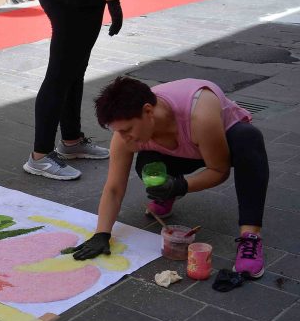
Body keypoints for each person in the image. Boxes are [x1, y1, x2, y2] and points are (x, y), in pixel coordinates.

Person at [68, 76, 269, 278]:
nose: (124, 137)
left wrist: (181, 186)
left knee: (248, 139)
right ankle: (166, 192)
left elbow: (219, 170)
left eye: (127, 130)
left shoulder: (200, 115)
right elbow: (114, 188)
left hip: (218, 143)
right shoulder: (126, 131)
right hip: (181, 152)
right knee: (147, 163)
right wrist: (102, 233)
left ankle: (250, 236)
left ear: (148, 111)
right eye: (118, 131)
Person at [24, 0, 123, 180]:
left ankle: (71, 141)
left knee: (73, 71)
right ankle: (40, 156)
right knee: (60, 75)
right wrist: (113, 1)